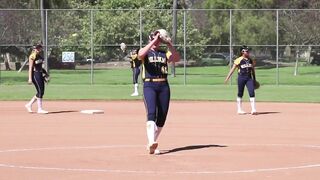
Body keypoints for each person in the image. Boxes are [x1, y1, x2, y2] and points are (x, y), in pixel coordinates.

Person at [138, 29, 180, 154]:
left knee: (162, 116)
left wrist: (169, 44)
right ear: (150, 39)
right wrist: (154, 41)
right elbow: (140, 55)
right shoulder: (146, 52)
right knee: (151, 113)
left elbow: (176, 58)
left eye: (158, 39)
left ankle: (152, 143)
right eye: (155, 38)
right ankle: (151, 141)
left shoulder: (163, 52)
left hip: (163, 86)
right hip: (149, 85)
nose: (157, 41)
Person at [224, 45, 257, 115]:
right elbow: (232, 70)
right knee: (240, 93)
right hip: (241, 78)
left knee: (252, 92)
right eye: (246, 51)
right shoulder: (238, 60)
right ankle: (239, 110)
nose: (248, 52)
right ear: (242, 52)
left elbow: (253, 70)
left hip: (249, 78)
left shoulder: (250, 60)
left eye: (248, 51)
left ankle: (253, 110)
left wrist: (254, 79)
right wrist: (227, 78)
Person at [25, 44, 48, 114]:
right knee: (40, 91)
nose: (38, 50)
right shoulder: (32, 56)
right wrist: (30, 78)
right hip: (35, 74)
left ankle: (29, 105)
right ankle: (39, 109)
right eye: (37, 49)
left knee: (41, 92)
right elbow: (30, 68)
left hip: (40, 74)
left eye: (39, 48)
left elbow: (40, 67)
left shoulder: (39, 56)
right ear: (34, 49)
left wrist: (45, 73)